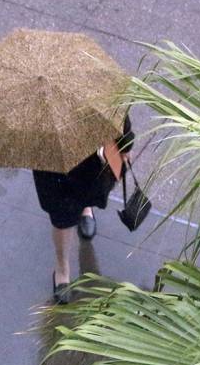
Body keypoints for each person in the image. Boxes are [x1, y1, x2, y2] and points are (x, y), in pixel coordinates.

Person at [32, 115, 135, 304]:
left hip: (88, 147)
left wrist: (125, 142)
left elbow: (116, 102)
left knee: (88, 188)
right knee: (61, 214)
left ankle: (85, 208)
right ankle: (62, 268)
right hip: (48, 150)